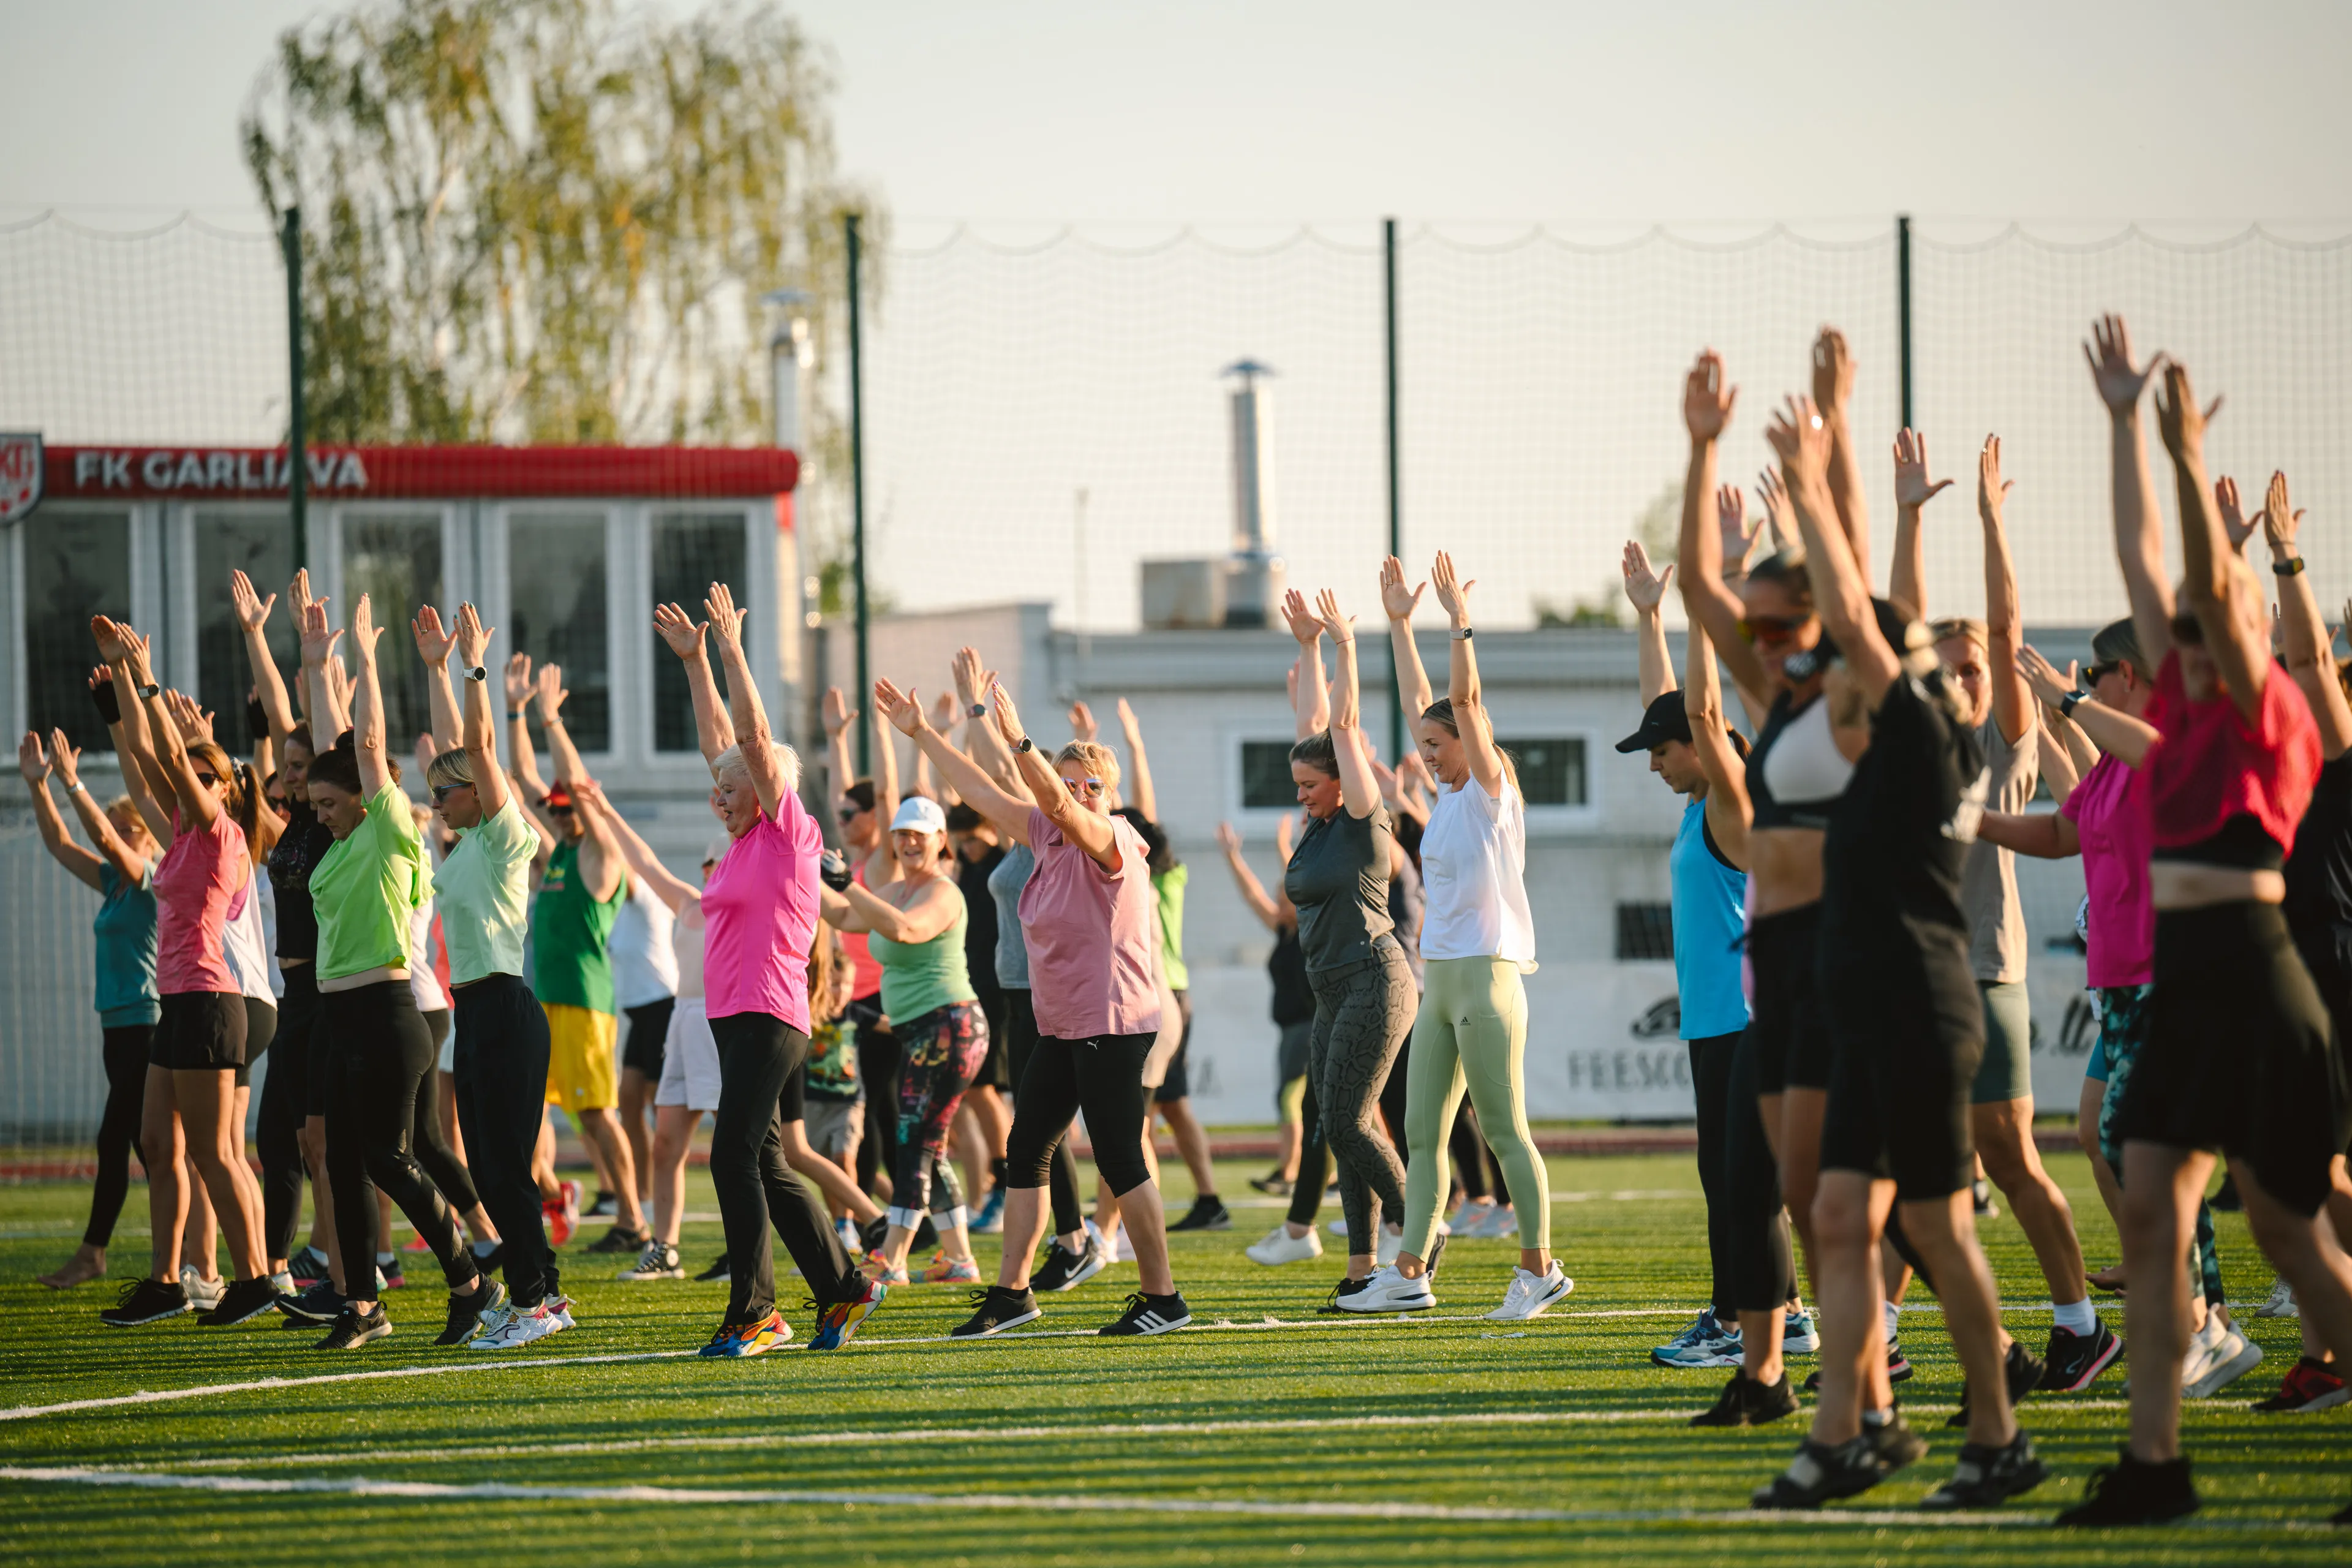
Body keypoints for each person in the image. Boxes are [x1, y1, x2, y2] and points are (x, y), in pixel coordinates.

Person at [2057, 336, 2352, 1527]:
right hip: (2183, 981)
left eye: (2201, 621)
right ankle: (2153, 1464)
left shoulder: (2268, 702)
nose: (2177, 636)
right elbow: (2143, 561)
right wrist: (2127, 426)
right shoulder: (2178, 697)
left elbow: (2210, 598)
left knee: (2289, 1221)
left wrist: (2185, 458)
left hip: (2258, 970)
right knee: (2152, 1212)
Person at [1749, 387, 2040, 1510]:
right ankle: (1850, 1436)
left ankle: (2000, 1434)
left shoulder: (1925, 731)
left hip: (1922, 1000)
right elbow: (1865, 611)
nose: (1824, 671)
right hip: (1867, 999)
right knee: (1837, 1216)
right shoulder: (1879, 737)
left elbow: (1863, 615)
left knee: (1933, 1223)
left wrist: (1820, 483)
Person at [1675, 343, 1892, 1430]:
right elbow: (1707, 609)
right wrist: (1701, 447)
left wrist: (1830, 455)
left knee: (1865, 1214)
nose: (1759, 641)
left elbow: (1855, 593)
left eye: (1780, 625)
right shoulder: (1781, 706)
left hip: (1854, 966)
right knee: (1765, 1186)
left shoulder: (1858, 706)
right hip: (1781, 970)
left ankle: (1906, 1397)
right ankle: (1767, 1378)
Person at [1891, 430, 2119, 1395]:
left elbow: (2002, 616)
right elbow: (1895, 629)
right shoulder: (1910, 739)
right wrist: (1905, 516)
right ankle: (1882, 1339)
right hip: (1916, 980)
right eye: (1944, 668)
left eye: (1973, 666)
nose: (1958, 677)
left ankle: (2080, 1326)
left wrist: (1987, 521)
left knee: (2009, 1157)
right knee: (1911, 1171)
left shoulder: (1998, 743)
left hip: (1987, 975)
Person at [881, 677, 1184, 1338]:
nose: (1076, 793)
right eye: (1068, 781)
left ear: (1109, 796)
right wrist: (924, 733)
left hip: (1112, 1021)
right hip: (1064, 1024)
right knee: (1027, 1149)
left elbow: (1058, 804)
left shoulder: (1112, 839)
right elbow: (981, 794)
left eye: (1090, 785)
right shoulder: (1046, 835)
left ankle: (1163, 1296)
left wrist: (1018, 739)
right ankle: (1013, 1292)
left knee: (1119, 1156)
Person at [1986, 624, 2241, 1398]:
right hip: (2123, 982)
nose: (2088, 684)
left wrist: (2063, 701)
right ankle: (2201, 1315)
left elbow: (2147, 755)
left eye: (2098, 675)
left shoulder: (2165, 752)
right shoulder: (2114, 768)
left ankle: (2202, 1320)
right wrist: (1969, 820)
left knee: (2148, 1149)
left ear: (2128, 675)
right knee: (2115, 1140)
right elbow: (2070, 819)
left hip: (2164, 976)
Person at [653, 586, 882, 1357]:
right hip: (741, 1017)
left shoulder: (790, 833)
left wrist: (731, 648)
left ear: (765, 788)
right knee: (768, 1160)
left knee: (731, 1155)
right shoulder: (748, 835)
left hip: (769, 1014)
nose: (719, 797)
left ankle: (756, 1312)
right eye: (717, 788)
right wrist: (695, 665)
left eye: (731, 787)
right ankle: (844, 1291)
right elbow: (726, 738)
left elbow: (751, 735)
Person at [1614, 537, 1815, 1392]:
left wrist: (1707, 602)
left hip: (1742, 1019)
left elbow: (1694, 712)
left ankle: (1741, 1322)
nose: (1656, 766)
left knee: (1740, 1184)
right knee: (1735, 1180)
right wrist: (1651, 617)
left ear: (1700, 749)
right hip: (1716, 1021)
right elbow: (1671, 709)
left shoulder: (1730, 809)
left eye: (1661, 754)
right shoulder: (1700, 807)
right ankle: (1785, 1314)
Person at [1344, 552, 1562, 1319]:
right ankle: (1410, 1269)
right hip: (1441, 979)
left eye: (1441, 744)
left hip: (1490, 978)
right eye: (1429, 746)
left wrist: (1456, 625)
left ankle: (1540, 1266)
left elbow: (1460, 697)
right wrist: (1399, 624)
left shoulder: (1494, 793)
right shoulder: (1445, 801)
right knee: (1419, 1133)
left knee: (1504, 1130)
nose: (1429, 753)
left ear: (1476, 742)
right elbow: (1421, 703)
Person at [298, 594, 501, 1351]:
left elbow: (368, 742)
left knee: (391, 1155)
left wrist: (369, 664)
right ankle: (361, 1305)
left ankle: (471, 1279)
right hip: (338, 1020)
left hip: (390, 1015)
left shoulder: (386, 830)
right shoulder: (339, 839)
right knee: (344, 1164)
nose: (316, 812)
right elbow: (334, 747)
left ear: (365, 794)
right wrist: (318, 670)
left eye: (326, 802)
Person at [88, 615, 280, 1329]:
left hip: (209, 1001)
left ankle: (255, 1275)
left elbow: (169, 758)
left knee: (212, 1150)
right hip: (178, 1004)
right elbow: (144, 759)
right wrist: (120, 706)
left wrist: (145, 676)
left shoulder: (220, 831)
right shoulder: (175, 835)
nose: (189, 782)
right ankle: (166, 1280)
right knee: (159, 1143)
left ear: (223, 788)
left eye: (205, 777)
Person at [409, 603, 564, 1348]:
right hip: (474, 1011)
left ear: (479, 792)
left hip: (505, 1007)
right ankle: (546, 1292)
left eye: (447, 790)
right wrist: (437, 669)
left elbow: (475, 744)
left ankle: (531, 1302)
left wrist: (470, 670)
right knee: (493, 1167)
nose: (436, 798)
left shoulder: (506, 837)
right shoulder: (464, 844)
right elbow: (454, 748)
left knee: (501, 1168)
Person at [1270, 588, 1417, 1305]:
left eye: (1308, 785)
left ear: (1340, 782)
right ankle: (1363, 1271)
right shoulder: (1319, 825)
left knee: (1352, 1120)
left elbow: (1345, 728)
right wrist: (1306, 647)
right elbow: (1316, 730)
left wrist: (1347, 647)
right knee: (1334, 1122)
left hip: (1375, 976)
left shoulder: (1361, 818)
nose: (1300, 795)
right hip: (1332, 984)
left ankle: (1420, 1230)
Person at [948, 649, 1109, 1294]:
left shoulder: (1063, 834)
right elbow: (987, 778)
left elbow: (1007, 775)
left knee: (1040, 1128)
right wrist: (971, 711)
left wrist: (988, 716)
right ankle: (1071, 1239)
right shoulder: (1028, 834)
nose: (1066, 793)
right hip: (1014, 993)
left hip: (1048, 995)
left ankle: (1075, 1240)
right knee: (1033, 1126)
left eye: (1082, 784)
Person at [825, 786, 989, 1284]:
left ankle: (892, 1257)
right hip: (925, 1033)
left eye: (920, 835)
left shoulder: (942, 891)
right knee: (927, 1144)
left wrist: (847, 885)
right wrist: (802, 877)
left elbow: (905, 931)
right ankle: (959, 1258)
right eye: (902, 836)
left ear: (942, 840)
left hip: (951, 1028)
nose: (910, 843)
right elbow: (843, 917)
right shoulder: (895, 889)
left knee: (912, 1142)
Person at [508, 663, 645, 1253]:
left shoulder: (598, 857)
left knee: (597, 1117)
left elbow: (571, 782)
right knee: (536, 1113)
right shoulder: (556, 855)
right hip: (550, 1001)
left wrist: (550, 719)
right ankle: (552, 1199)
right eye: (556, 811)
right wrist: (514, 712)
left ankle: (634, 1221)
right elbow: (520, 777)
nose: (560, 817)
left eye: (569, 811)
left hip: (587, 1004)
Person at [21, 728, 159, 1292]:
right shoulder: (115, 886)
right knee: (146, 1147)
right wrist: (39, 786)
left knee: (117, 1138)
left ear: (149, 840)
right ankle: (191, 1256)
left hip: (148, 1025)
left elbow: (105, 843)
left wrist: (72, 783)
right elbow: (59, 844)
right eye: (119, 829)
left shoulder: (149, 880)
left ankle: (94, 1253)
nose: (119, 839)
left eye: (131, 831)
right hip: (117, 1030)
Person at [1218, 816, 1329, 1267]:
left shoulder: (1305, 927)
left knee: (1293, 1100)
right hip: (1289, 1028)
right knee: (1293, 1101)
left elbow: (1297, 879)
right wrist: (1231, 857)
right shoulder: (1283, 930)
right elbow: (1251, 896)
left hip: (1308, 1024)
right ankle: (1297, 1168)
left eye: (1284, 891)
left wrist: (1286, 846)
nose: (1278, 896)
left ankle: (1291, 1170)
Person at [824, 686, 901, 1198]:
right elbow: (843, 795)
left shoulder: (883, 862)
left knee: (883, 1108)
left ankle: (911, 1218)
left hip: (885, 1003)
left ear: (873, 819)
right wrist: (835, 739)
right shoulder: (854, 867)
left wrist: (882, 730)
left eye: (852, 816)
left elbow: (888, 799)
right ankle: (895, 1218)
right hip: (854, 1000)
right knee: (871, 1106)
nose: (842, 821)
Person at [947, 801, 1013, 1232]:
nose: (969, 846)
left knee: (985, 1089)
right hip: (971, 992)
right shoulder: (964, 868)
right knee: (974, 1092)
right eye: (962, 840)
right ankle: (997, 1183)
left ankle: (1007, 1184)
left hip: (1000, 994)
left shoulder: (1004, 860)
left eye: (975, 837)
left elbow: (994, 790)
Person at [611, 854, 679, 1225]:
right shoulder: (618, 912)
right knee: (629, 1103)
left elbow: (623, 870)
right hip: (639, 1016)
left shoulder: (645, 897)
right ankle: (644, 1194)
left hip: (662, 1009)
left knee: (658, 1107)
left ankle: (662, 1193)